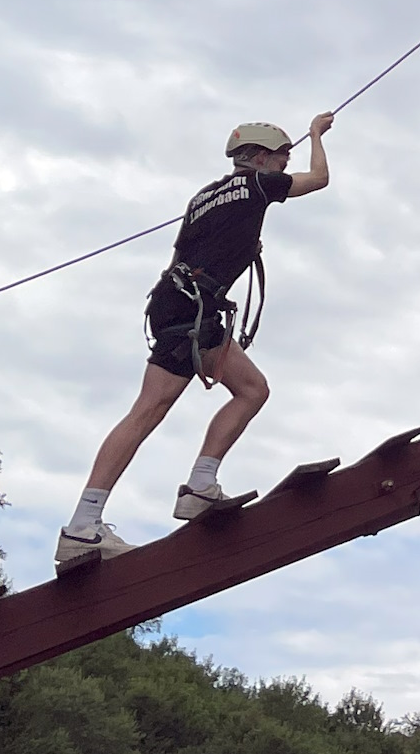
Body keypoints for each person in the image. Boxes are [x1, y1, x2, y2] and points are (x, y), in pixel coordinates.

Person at [56, 114, 333, 572]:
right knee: (150, 409)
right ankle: (83, 525)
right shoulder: (258, 185)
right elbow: (319, 180)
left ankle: (199, 486)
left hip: (178, 300)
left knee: (250, 389)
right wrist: (317, 135)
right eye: (283, 154)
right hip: (193, 306)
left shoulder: (203, 195)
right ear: (261, 158)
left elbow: (182, 252)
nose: (287, 161)